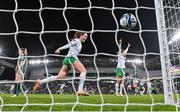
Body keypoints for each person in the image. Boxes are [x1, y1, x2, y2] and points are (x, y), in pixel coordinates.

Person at [33, 32, 89, 96]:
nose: (86, 38)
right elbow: (69, 45)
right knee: (83, 71)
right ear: (81, 35)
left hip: (67, 59)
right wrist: (60, 48)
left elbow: (73, 51)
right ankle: (80, 90)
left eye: (86, 37)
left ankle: (40, 81)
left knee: (59, 76)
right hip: (71, 58)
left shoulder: (79, 43)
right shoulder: (76, 40)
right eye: (85, 36)